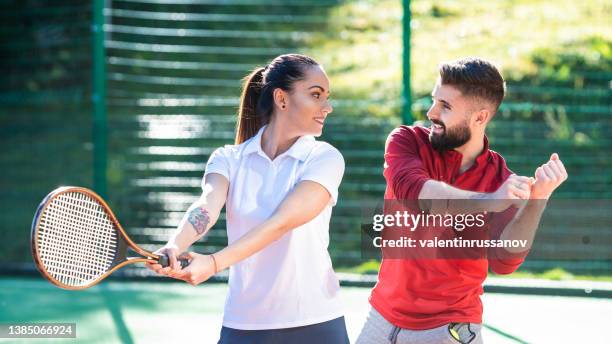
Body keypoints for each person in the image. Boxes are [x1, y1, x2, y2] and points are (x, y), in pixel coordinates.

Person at [357, 57, 568, 344]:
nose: (432, 112)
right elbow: (414, 193)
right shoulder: (407, 141)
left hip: (449, 329)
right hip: (381, 319)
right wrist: (489, 201)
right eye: (434, 100)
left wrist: (537, 199)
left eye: (445, 106)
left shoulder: (500, 179)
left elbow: (505, 261)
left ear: (480, 118)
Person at [146, 54, 350, 344]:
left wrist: (214, 263)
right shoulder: (228, 159)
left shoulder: (324, 158)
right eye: (316, 95)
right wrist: (175, 245)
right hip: (243, 325)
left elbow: (281, 223)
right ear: (282, 99)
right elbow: (206, 206)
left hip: (316, 323)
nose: (327, 107)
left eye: (326, 97)